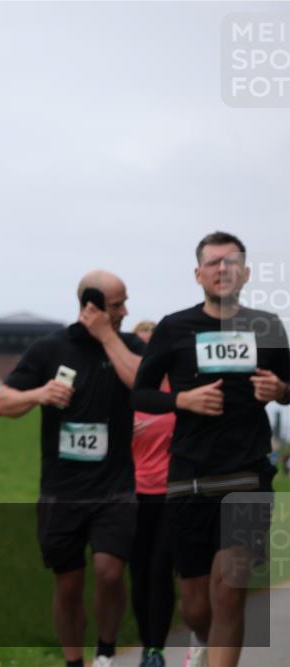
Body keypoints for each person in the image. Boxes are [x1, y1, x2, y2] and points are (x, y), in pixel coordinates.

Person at [132, 231, 290, 667]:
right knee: (197, 606)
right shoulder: (174, 328)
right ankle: (202, 643)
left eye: (232, 262)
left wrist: (281, 388)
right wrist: (180, 401)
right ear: (198, 273)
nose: (223, 269)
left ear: (247, 273)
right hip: (189, 478)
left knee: (229, 590)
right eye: (214, 262)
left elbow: (289, 387)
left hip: (247, 476)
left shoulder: (268, 326)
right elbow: (140, 395)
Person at [0, 270, 144, 667]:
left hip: (116, 488)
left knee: (111, 573)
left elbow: (141, 383)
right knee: (69, 584)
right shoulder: (50, 348)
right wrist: (39, 393)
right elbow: (3, 402)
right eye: (117, 306)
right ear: (90, 306)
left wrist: (108, 335)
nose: (126, 311)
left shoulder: (127, 345)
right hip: (62, 491)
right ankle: (74, 661)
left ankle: (107, 653)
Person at [129, 321, 176, 667]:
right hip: (133, 495)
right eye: (139, 345)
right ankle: (147, 643)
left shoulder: (178, 386)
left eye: (151, 345)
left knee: (161, 568)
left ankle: (157, 649)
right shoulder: (126, 391)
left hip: (171, 493)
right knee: (139, 572)